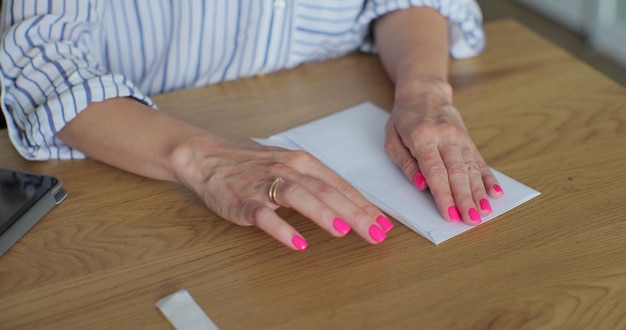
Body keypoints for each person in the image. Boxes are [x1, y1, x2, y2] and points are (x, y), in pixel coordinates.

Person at [0, 0, 503, 251]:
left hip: (339, 89)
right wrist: (202, 158)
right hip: (137, 168)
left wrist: (424, 93)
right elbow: (42, 62)